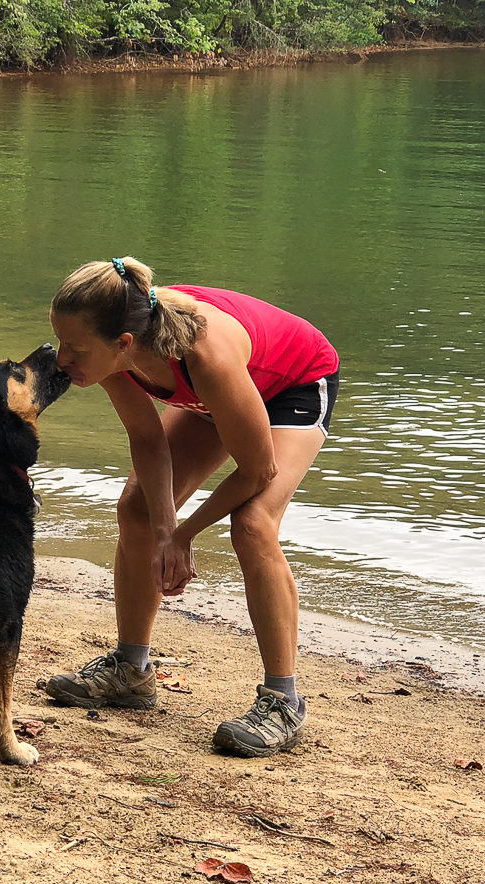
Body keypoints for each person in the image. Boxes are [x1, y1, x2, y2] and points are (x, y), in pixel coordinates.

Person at [40, 257, 339, 758]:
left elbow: (257, 471)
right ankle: (131, 671)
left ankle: (283, 702)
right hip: (212, 397)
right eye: (61, 341)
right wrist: (161, 529)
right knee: (137, 509)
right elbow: (147, 438)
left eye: (76, 348)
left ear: (123, 345)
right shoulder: (113, 350)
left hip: (292, 384)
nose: (62, 358)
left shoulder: (207, 357)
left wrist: (183, 535)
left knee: (252, 522)